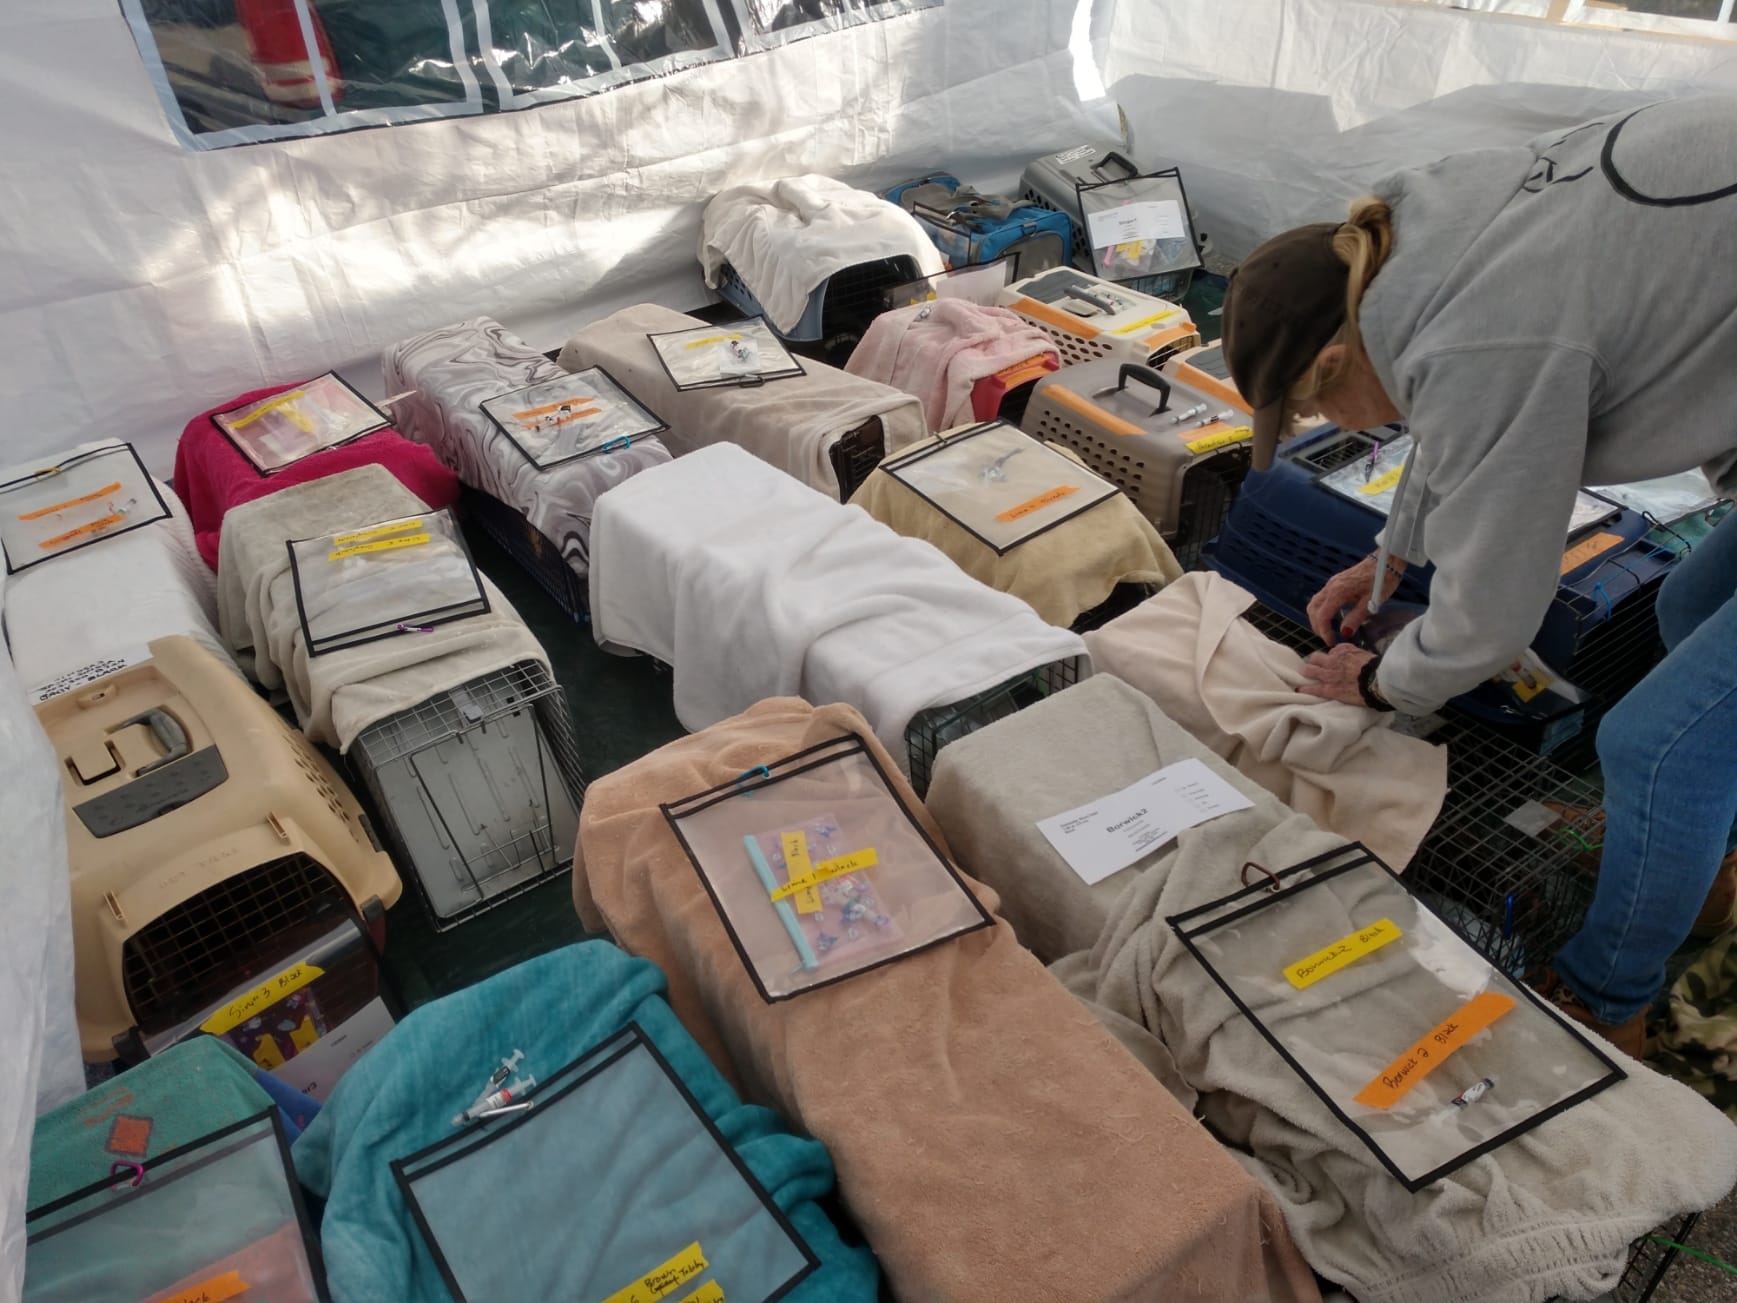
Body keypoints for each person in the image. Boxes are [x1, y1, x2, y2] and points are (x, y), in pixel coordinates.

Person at [1217, 95, 1737, 1059]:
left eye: (1321, 408)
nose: (1357, 432)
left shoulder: (1479, 341)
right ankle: (1702, 861)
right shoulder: (1418, 239)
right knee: (1689, 601)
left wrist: (1379, 681)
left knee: (1653, 745)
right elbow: (1454, 417)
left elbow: (1491, 615)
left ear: (1337, 359)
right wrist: (1392, 550)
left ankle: (1602, 997)